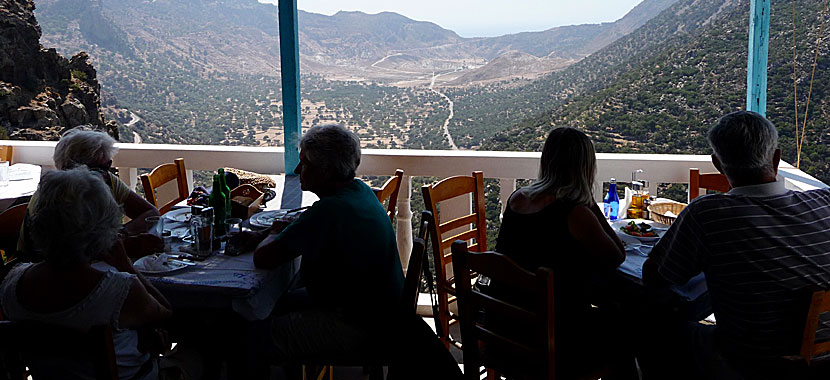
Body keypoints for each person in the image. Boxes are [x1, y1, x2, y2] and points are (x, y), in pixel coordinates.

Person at [253, 124, 461, 379]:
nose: (298, 170)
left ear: (326, 170)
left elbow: (263, 259)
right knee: (276, 301)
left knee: (249, 337)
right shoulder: (360, 191)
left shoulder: (329, 212)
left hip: (358, 326)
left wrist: (274, 231)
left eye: (305, 164)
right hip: (384, 316)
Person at [643, 111, 830, 379]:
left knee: (652, 328)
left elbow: (656, 277)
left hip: (750, 363)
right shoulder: (824, 202)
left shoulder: (708, 214)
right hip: (820, 359)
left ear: (718, 164)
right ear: (776, 158)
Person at [0, 168, 172, 380]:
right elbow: (166, 316)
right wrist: (126, 265)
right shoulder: (119, 289)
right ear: (104, 226)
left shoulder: (12, 285)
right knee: (199, 350)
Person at [493, 127, 632, 378]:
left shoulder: (517, 199)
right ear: (585, 167)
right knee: (626, 329)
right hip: (553, 339)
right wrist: (587, 200)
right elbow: (617, 255)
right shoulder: (574, 214)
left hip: (506, 329)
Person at [18, 125, 161, 259]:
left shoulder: (106, 179)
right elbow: (68, 258)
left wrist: (122, 234)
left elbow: (150, 213)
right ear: (73, 169)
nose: (105, 173)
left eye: (108, 165)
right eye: (97, 169)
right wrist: (123, 246)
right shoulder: (57, 199)